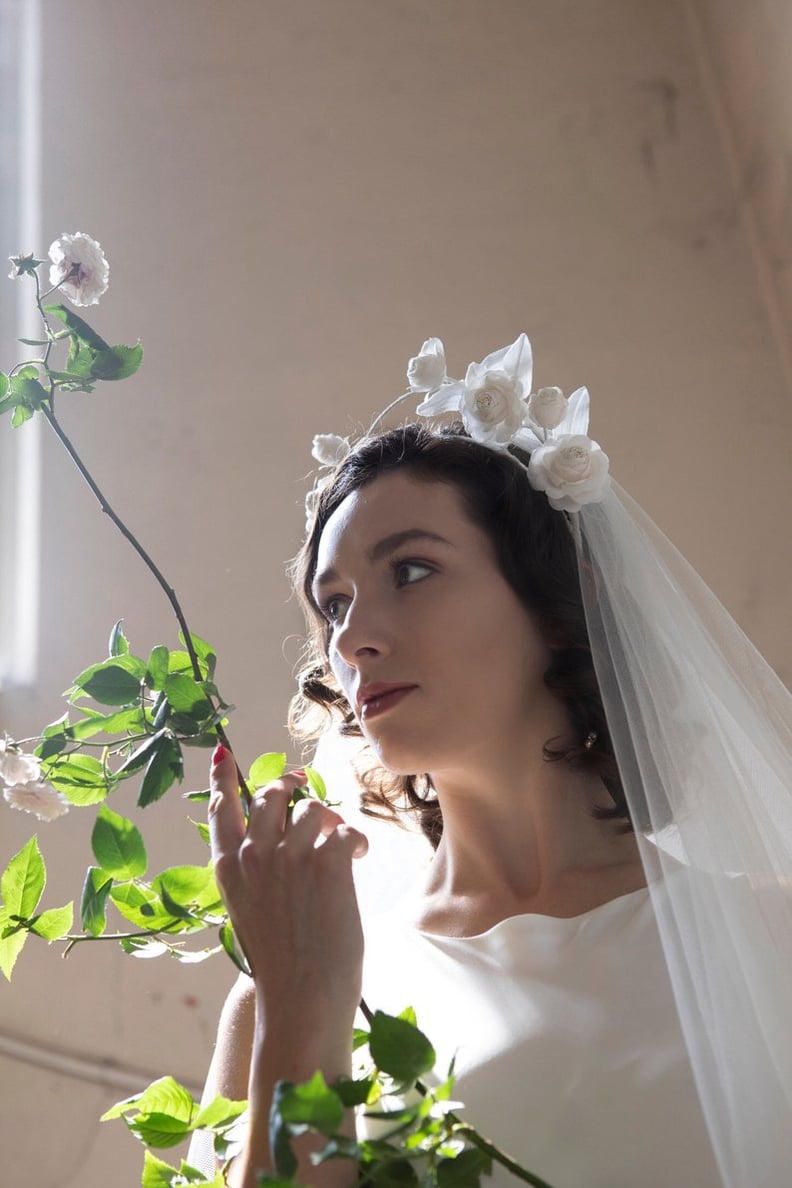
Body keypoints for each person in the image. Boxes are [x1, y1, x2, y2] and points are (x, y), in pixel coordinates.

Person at [200, 336, 792, 1188]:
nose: (353, 637)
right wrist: (303, 1007)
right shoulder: (287, 998)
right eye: (332, 606)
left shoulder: (771, 942)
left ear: (559, 602)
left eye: (411, 569)